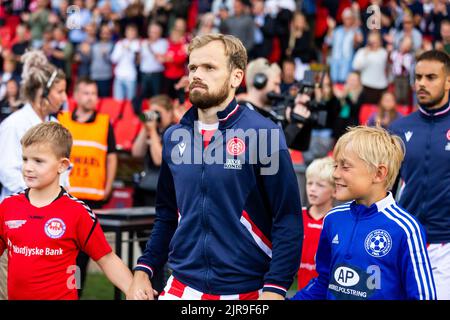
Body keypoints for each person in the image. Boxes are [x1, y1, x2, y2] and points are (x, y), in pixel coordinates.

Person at [127, 33, 303, 300]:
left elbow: (288, 218)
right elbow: (166, 214)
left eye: (209, 67)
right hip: (182, 286)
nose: (197, 74)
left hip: (248, 291)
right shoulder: (174, 138)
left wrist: (276, 288)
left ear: (236, 77)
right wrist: (145, 268)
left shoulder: (264, 134)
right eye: (193, 67)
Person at [291, 126, 436, 300]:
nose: (335, 174)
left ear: (379, 173)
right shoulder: (333, 218)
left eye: (345, 167)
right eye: (335, 165)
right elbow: (324, 282)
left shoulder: (405, 228)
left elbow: (423, 295)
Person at [0, 122, 132, 300]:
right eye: (25, 159)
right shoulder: (8, 207)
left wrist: (134, 289)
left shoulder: (76, 212)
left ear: (62, 166)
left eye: (38, 161)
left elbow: (107, 259)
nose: (28, 167)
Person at [0, 50, 68, 299]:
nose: (64, 97)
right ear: (42, 93)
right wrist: (41, 198)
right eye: (60, 91)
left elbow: (64, 174)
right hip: (17, 227)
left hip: (50, 230)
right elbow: (7, 171)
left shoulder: (56, 126)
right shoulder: (15, 124)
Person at [389, 50, 450, 300]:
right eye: (418, 77)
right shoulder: (399, 128)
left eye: (431, 77)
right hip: (407, 240)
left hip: (446, 243)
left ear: (448, 81)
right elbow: (387, 187)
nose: (421, 84)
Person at [57, 77, 118, 297]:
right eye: (86, 93)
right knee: (62, 252)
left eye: (94, 93)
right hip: (64, 197)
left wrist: (108, 187)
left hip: (91, 200)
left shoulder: (104, 122)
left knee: (82, 255)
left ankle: (76, 293)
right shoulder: (62, 119)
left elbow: (111, 157)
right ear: (76, 96)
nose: (91, 97)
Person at [239, 58, 312, 151]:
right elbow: (267, 149)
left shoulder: (272, 114)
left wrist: (301, 116)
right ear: (260, 81)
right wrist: (295, 125)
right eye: (276, 84)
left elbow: (301, 145)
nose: (278, 90)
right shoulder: (243, 113)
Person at [297, 157, 335, 290]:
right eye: (309, 183)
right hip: (301, 289)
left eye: (320, 185)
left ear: (334, 190)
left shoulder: (336, 221)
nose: (312, 189)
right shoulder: (297, 216)